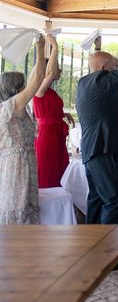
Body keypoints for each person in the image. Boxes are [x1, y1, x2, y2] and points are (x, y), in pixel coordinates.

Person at [76, 32, 118, 225]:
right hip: (105, 147)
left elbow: (98, 64)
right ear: (104, 69)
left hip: (94, 149)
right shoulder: (103, 80)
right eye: (114, 67)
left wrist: (98, 47)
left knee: (96, 197)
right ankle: (109, 248)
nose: (117, 70)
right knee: (114, 199)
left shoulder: (84, 83)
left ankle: (91, 242)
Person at [0, 34, 48, 224]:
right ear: (17, 88)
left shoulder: (6, 107)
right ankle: (17, 247)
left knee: (16, 206)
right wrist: (40, 46)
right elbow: (39, 78)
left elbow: (38, 75)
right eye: (23, 86)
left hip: (13, 162)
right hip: (18, 165)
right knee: (19, 207)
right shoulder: (14, 105)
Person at [33, 41, 75, 188]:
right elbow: (50, 73)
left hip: (55, 133)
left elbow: (48, 110)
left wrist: (63, 114)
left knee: (58, 167)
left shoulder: (49, 91)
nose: (59, 71)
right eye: (57, 68)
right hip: (48, 135)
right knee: (48, 169)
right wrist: (54, 47)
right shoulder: (39, 89)